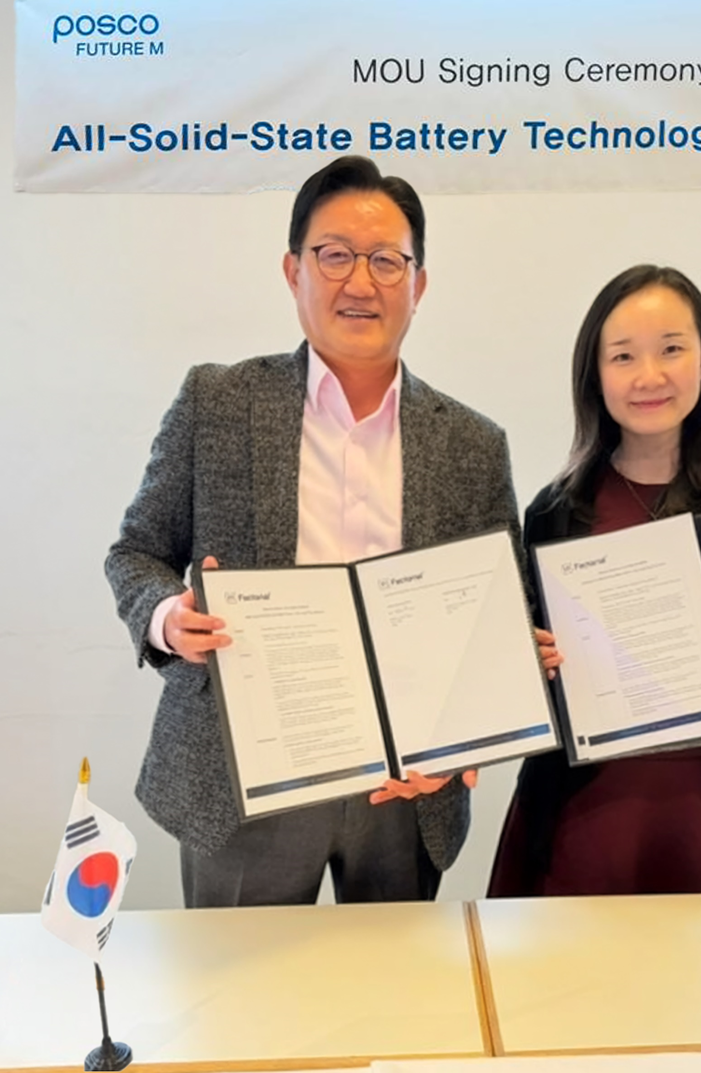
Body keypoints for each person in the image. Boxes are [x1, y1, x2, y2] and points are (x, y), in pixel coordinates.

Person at [106, 155, 519, 907]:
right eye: (334, 255)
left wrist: (465, 741)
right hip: (243, 785)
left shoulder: (471, 443)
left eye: (387, 261)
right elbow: (135, 552)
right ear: (293, 269)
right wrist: (169, 618)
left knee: (388, 1007)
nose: (360, 282)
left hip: (402, 791)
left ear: (418, 285)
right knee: (237, 1007)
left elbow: (498, 621)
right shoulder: (218, 401)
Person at [488, 264, 701, 898]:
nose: (649, 376)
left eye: (672, 349)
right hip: (571, 825)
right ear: (595, 375)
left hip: (699, 818)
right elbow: (519, 674)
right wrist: (524, 667)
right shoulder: (553, 512)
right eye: (623, 356)